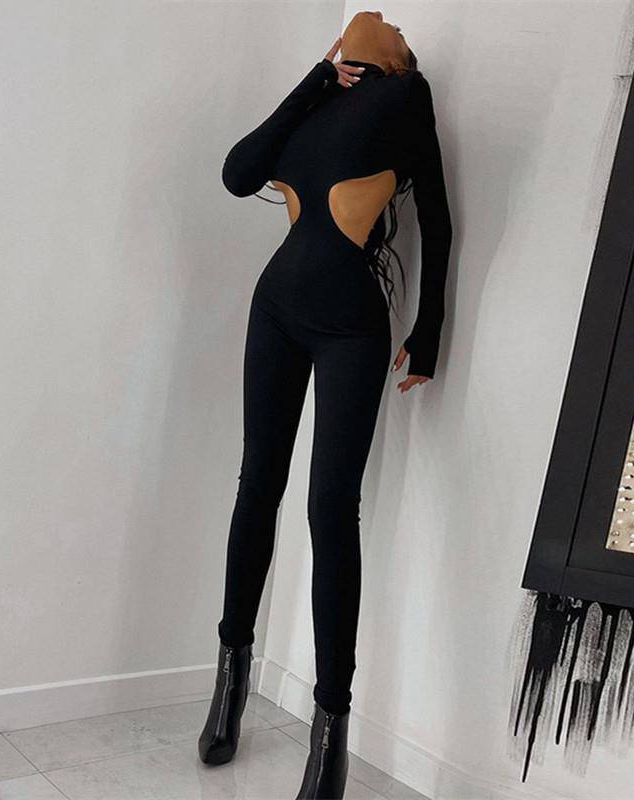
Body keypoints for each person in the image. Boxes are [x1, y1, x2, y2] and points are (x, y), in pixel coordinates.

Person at [198, 10, 452, 798]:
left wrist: (429, 329)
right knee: (257, 487)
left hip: (351, 328)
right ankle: (230, 683)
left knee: (330, 510)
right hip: (275, 309)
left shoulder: (406, 97)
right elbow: (238, 172)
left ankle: (331, 730)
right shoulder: (318, 102)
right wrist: (313, 78)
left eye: (386, 25)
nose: (378, 22)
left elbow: (436, 215)